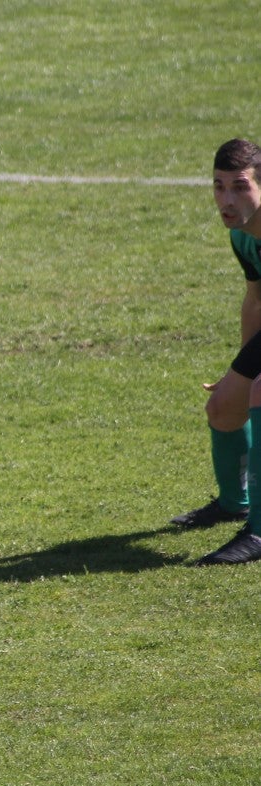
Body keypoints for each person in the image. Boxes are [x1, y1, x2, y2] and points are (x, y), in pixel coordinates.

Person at [171, 139, 261, 535]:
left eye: (240, 186)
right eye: (219, 186)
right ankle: (234, 505)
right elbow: (255, 300)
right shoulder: (243, 234)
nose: (227, 199)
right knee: (224, 408)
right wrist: (242, 365)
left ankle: (258, 530)